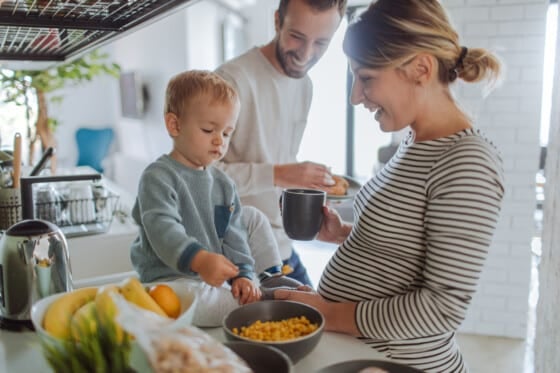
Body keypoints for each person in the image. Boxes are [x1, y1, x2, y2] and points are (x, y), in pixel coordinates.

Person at [274, 1, 505, 372]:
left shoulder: (467, 162)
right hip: (364, 357)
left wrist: (329, 313)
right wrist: (348, 234)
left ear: (420, 68)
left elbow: (441, 308)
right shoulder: (413, 141)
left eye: (366, 78)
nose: (355, 96)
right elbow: (408, 250)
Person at [130, 70, 301, 327]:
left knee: (252, 216)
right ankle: (264, 301)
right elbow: (162, 227)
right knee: (207, 305)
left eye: (227, 133)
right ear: (174, 125)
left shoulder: (222, 183)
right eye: (209, 129)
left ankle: (268, 279)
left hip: (211, 274)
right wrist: (198, 260)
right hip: (171, 280)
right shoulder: (158, 176)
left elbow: (234, 235)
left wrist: (243, 273)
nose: (220, 141)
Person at [215, 0, 347, 286]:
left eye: (321, 43)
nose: (306, 54)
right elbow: (198, 178)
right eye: (296, 37)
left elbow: (277, 155)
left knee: (315, 321)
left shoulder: (304, 85)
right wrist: (277, 174)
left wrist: (301, 184)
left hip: (280, 245)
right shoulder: (230, 81)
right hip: (235, 254)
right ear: (277, 21)